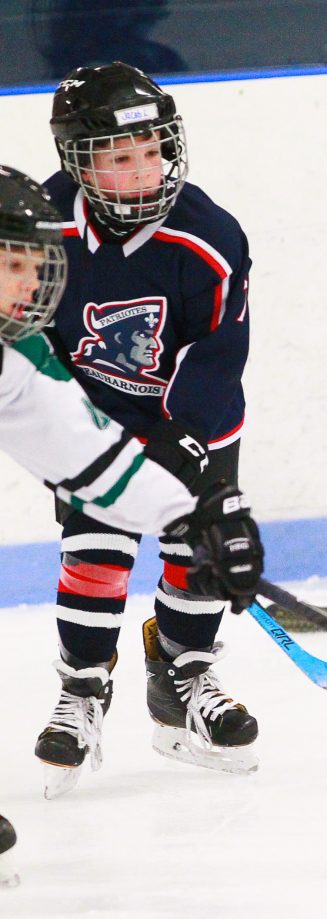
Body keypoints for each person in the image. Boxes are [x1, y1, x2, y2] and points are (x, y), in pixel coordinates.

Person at [1, 163, 262, 802]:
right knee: (94, 547)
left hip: (180, 426)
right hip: (120, 413)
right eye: (12, 265)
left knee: (108, 523)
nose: (34, 283)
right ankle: (84, 679)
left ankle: (181, 673)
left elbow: (83, 451)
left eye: (36, 264)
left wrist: (186, 514)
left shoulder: (17, 354)